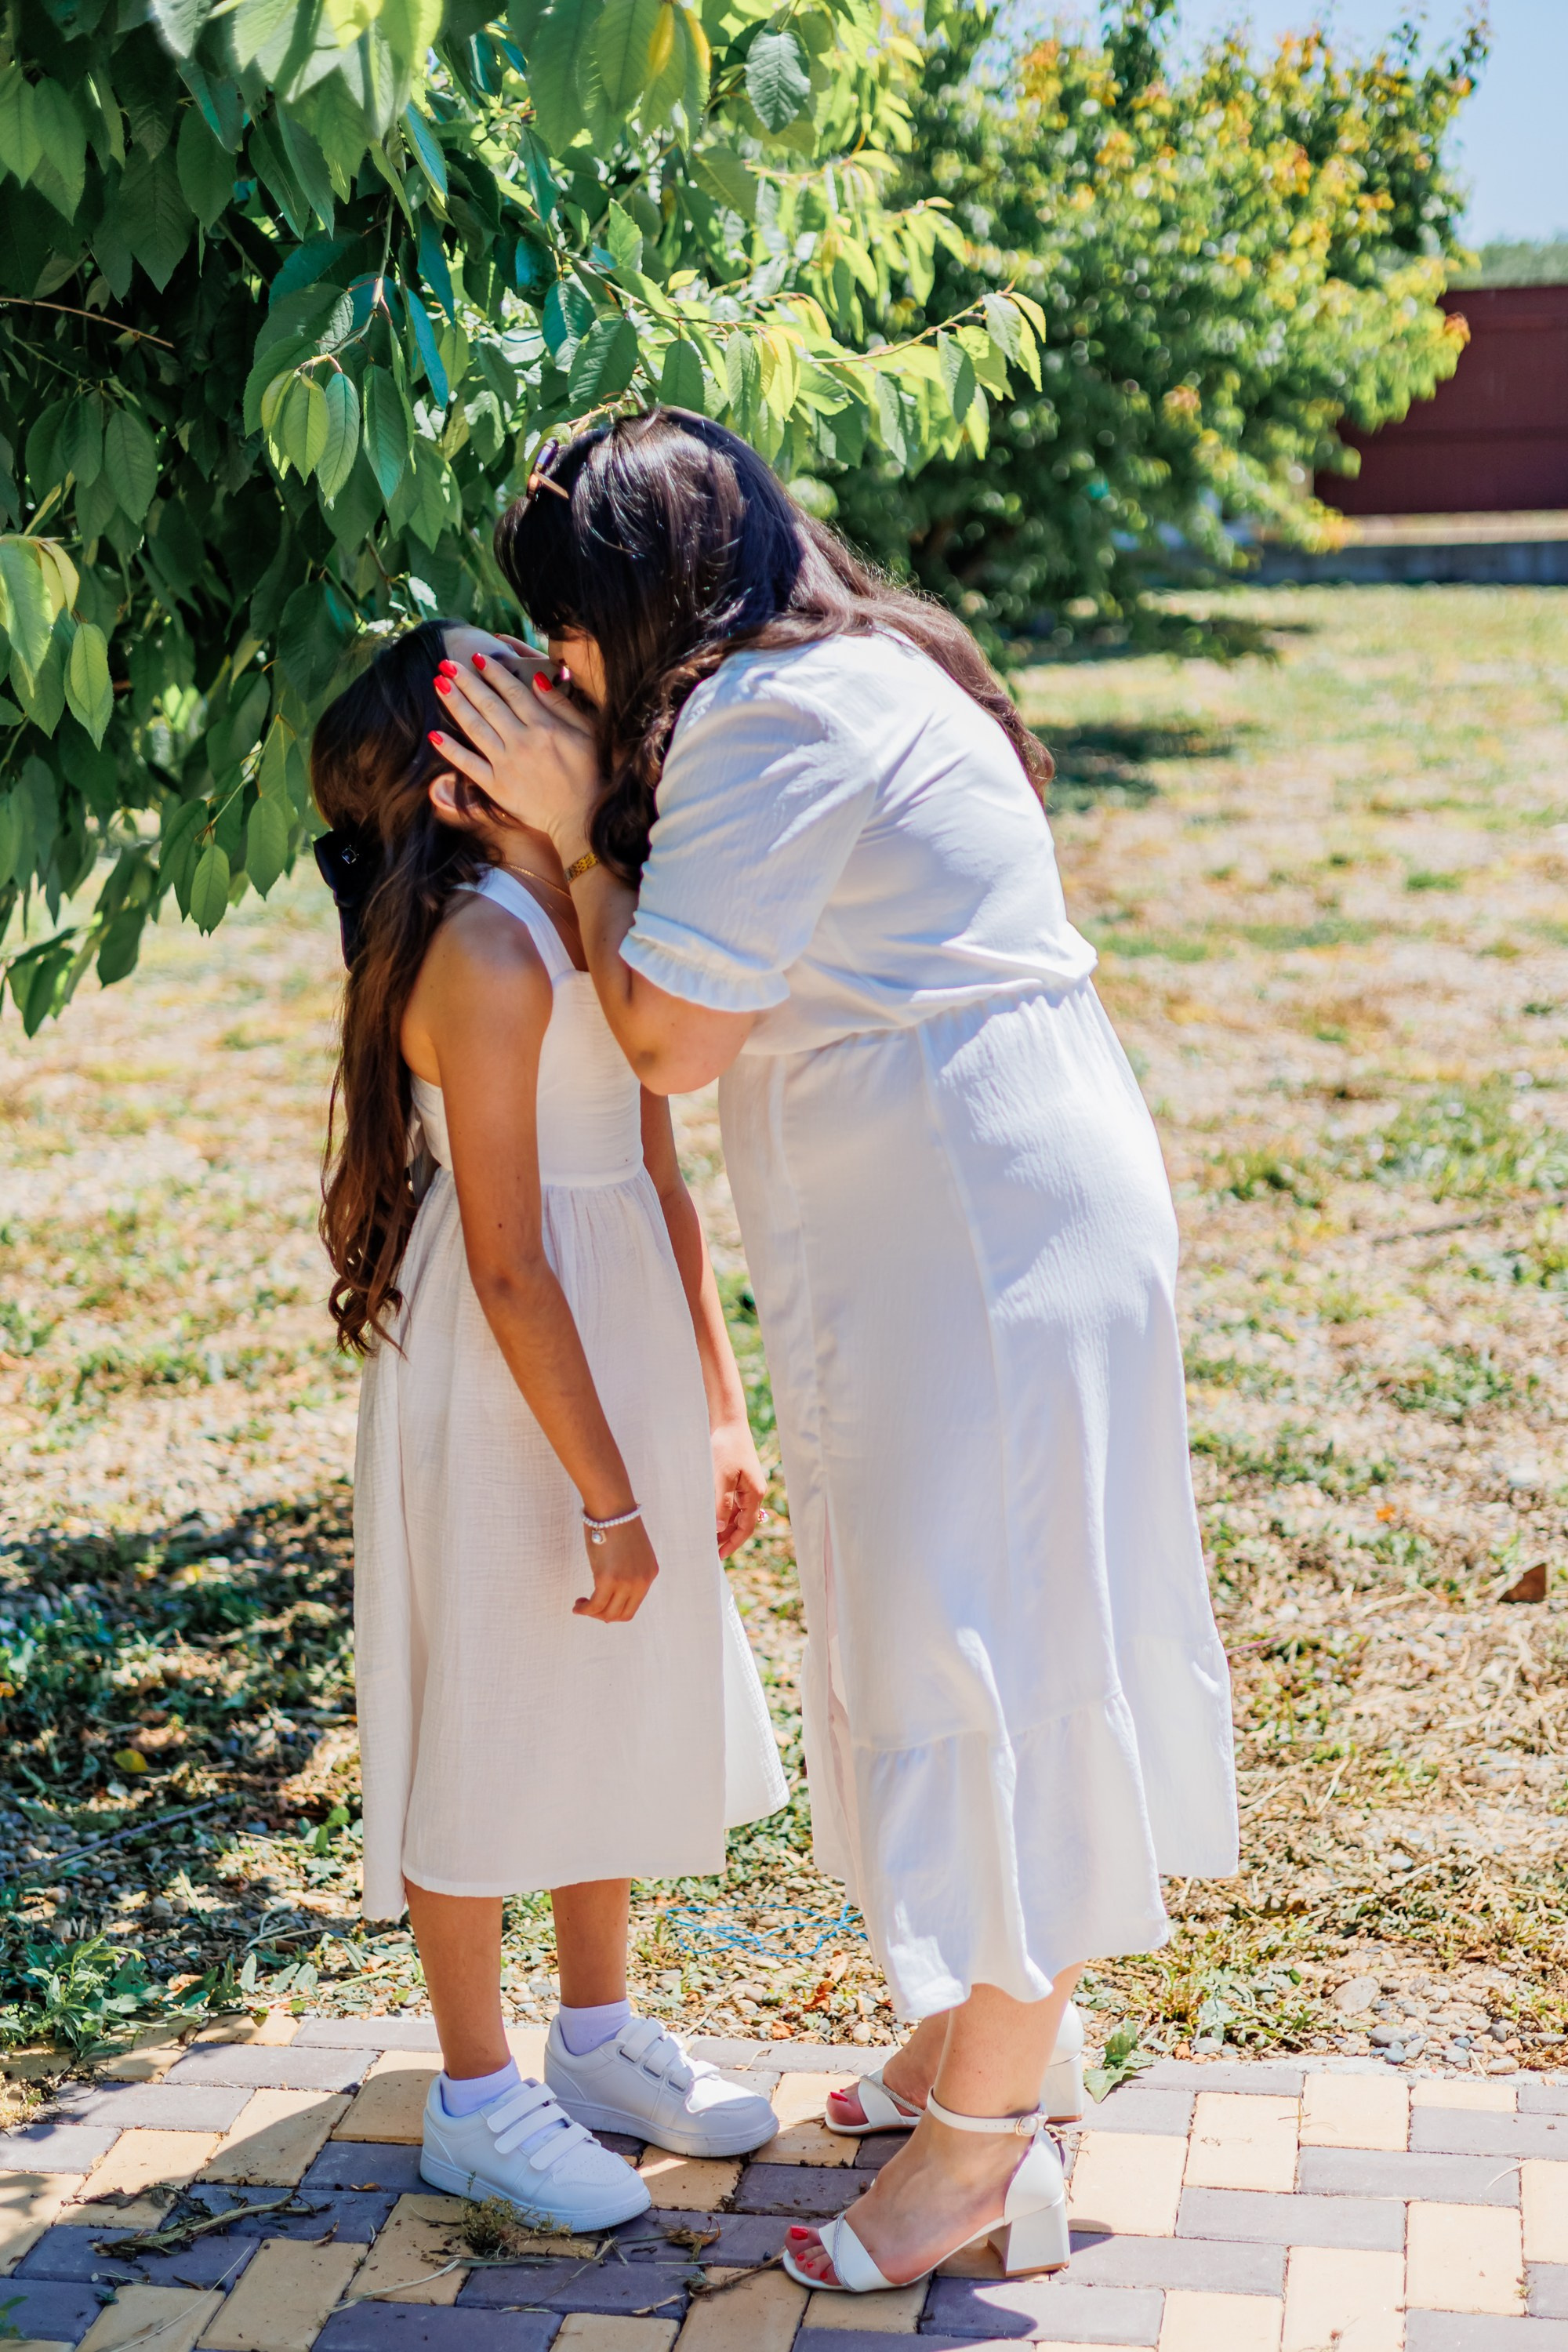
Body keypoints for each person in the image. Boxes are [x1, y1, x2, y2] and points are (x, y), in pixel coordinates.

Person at [430, 410, 1240, 2294]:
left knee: (993, 1655)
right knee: (958, 1631)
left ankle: (980, 2157)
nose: (557, 669)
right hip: (967, 1213)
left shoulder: (766, 723)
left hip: (970, 1234)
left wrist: (561, 826)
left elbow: (662, 1039)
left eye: (565, 628)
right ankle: (978, 2049)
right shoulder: (847, 664)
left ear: (633, 601)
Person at [313, 618, 787, 2230]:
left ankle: (594, 2036)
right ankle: (471, 2091)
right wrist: (601, 1489)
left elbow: (659, 1177)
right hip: (517, 1369)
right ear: (461, 782)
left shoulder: (588, 916)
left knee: (602, 1689)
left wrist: (715, 1414)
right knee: (497, 1704)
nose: (572, 703)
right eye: (529, 696)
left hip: (623, 1341)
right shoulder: (485, 953)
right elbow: (510, 1262)